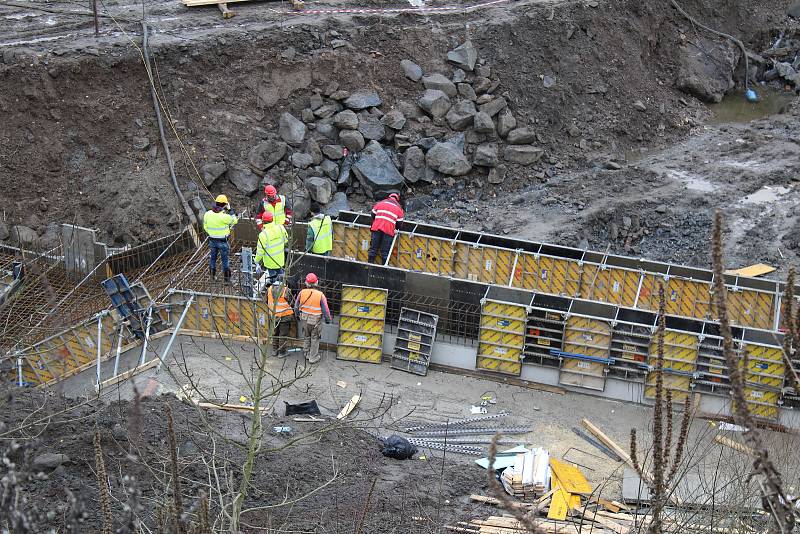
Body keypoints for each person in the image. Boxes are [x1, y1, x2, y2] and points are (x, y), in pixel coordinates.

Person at [294, 273, 332, 364]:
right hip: (315, 321)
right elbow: (325, 310)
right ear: (316, 283)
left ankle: (306, 353)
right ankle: (313, 357)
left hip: (304, 319)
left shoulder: (301, 292)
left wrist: (297, 316)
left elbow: (296, 306)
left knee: (306, 336)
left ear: (306, 283)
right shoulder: (320, 295)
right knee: (314, 338)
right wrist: (328, 319)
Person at [202, 194, 238, 282]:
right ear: (225, 204)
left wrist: (212, 233)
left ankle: (212, 277)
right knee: (225, 260)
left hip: (212, 240)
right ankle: (226, 280)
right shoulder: (224, 217)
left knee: (213, 258)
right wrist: (230, 210)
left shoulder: (207, 214)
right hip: (223, 242)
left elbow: (205, 226)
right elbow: (235, 220)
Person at [368, 192, 404, 264]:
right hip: (389, 231)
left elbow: (372, 214)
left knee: (373, 248)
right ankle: (384, 268)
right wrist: (395, 228)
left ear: (389, 197)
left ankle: (369, 265)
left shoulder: (381, 203)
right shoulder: (399, 209)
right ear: (397, 199)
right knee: (385, 252)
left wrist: (377, 221)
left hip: (376, 228)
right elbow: (399, 224)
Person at [254, 212, 289, 283]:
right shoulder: (280, 227)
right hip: (280, 259)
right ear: (272, 219)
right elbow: (286, 240)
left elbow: (260, 251)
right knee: (281, 274)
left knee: (273, 279)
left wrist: (256, 261)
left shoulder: (263, 235)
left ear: (263, 221)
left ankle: (275, 291)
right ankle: (283, 287)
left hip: (270, 261)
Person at [266, 280, 294, 357]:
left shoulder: (269, 289)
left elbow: (266, 301)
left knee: (275, 334)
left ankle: (275, 351)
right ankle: (282, 352)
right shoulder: (286, 290)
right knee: (283, 335)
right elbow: (292, 302)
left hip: (273, 316)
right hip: (285, 316)